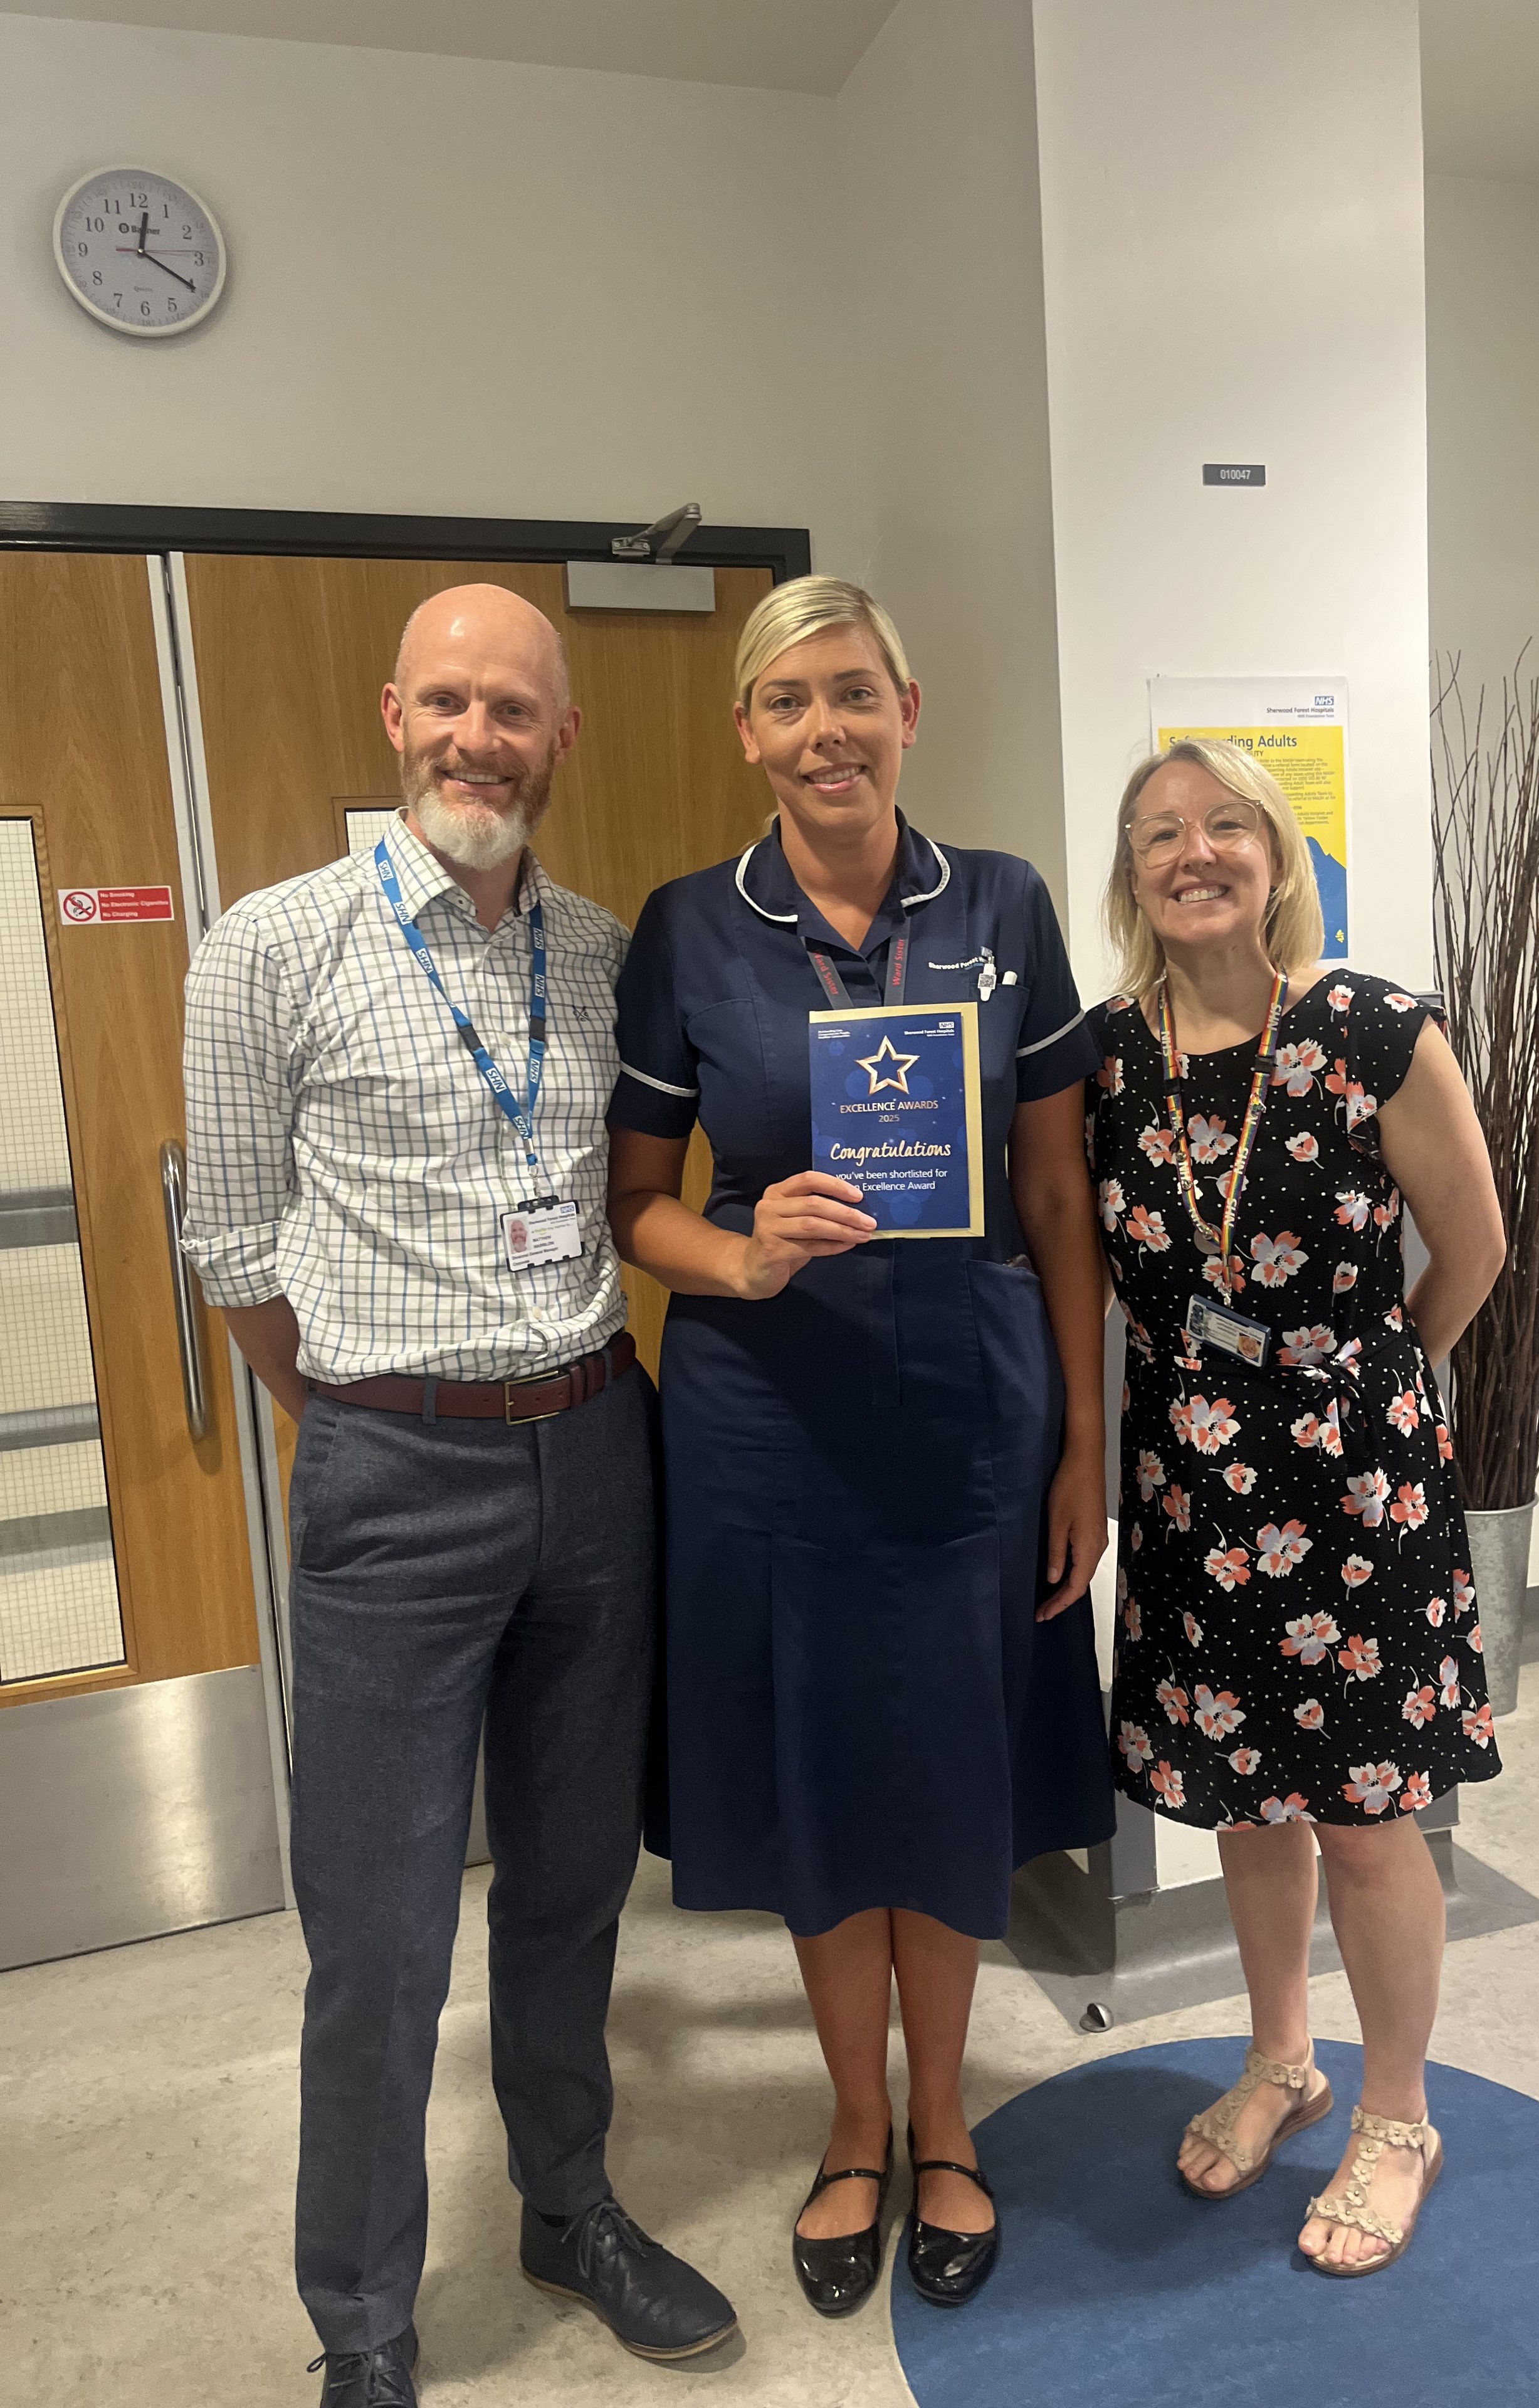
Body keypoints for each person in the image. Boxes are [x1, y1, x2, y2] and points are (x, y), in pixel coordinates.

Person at [181, 586, 735, 2407]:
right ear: (393, 715)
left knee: (573, 1882)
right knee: (381, 1934)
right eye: (447, 704)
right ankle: (362, 2323)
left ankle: (566, 2206)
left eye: (511, 709)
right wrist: (371, 1417)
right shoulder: (270, 947)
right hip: (393, 1471)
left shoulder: (603, 953)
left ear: (560, 735)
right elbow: (234, 1245)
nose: (475, 739)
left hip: (596, 1450)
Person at [606, 577, 1115, 2317]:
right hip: (770, 1422)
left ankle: (947, 2119)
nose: (825, 729)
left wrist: (1084, 1440)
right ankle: (850, 2125)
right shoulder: (690, 928)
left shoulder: (1004, 906)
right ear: (746, 731)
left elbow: (1057, 1194)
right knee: (823, 1770)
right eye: (788, 700)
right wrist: (740, 1254)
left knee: (949, 1765)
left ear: (909, 707)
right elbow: (635, 1206)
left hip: (974, 1410)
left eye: (853, 692)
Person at [1087, 739, 1505, 2277]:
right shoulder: (1103, 1059)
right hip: (1193, 1481)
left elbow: (1474, 1247)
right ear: (1130, 875)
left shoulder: (1375, 1030)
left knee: (1370, 1816)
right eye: (1158, 835)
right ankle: (1282, 2059)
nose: (1192, 853)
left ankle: (1396, 2114)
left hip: (1356, 1480)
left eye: (1224, 826)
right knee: (1245, 1798)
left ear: (1277, 855)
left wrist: (1371, 1389)